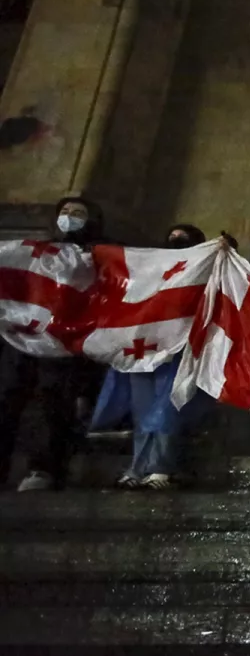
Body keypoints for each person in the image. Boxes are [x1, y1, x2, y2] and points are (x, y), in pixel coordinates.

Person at [93, 225, 214, 490]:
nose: (175, 240)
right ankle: (138, 467)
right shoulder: (148, 270)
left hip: (179, 350)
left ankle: (161, 467)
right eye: (172, 236)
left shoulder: (205, 272)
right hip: (142, 348)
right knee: (143, 411)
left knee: (168, 411)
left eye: (183, 238)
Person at [0, 197, 108, 491]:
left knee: (53, 403)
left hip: (63, 344)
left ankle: (44, 469)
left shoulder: (101, 256)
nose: (69, 217)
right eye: (65, 211)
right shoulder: (33, 251)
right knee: (6, 400)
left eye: (78, 213)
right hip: (20, 338)